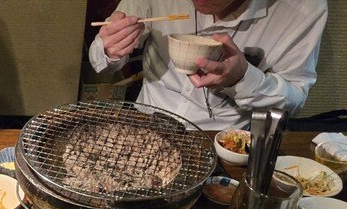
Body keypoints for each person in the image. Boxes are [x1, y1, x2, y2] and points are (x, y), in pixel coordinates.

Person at [89, 0, 328, 130]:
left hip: (222, 139)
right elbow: (100, 60)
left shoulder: (304, 8)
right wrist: (110, 49)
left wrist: (243, 79)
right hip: (146, 121)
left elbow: (294, 98)